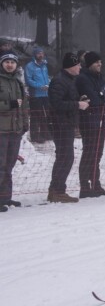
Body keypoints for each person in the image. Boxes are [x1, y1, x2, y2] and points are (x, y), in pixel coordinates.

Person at [48, 52, 90, 203]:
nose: (80, 67)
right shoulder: (59, 81)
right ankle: (57, 191)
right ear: (70, 66)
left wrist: (79, 99)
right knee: (65, 157)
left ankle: (56, 190)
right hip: (60, 124)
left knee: (65, 157)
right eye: (77, 65)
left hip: (66, 123)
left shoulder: (69, 80)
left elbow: (66, 99)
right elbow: (56, 103)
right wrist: (77, 104)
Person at [75, 52, 105, 197]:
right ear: (90, 63)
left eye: (100, 62)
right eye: (97, 62)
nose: (100, 64)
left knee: (98, 152)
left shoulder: (99, 77)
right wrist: (101, 95)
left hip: (100, 119)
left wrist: (101, 94)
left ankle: (95, 183)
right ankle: (85, 186)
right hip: (89, 120)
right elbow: (94, 99)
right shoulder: (83, 78)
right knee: (89, 152)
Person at [0, 52, 29, 210]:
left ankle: (5, 197)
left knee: (9, 165)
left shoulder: (18, 82)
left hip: (15, 130)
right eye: (7, 62)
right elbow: (13, 104)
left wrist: (25, 123)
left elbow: (24, 105)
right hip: (1, 130)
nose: (10, 65)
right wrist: (8, 104)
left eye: (12, 62)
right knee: (1, 165)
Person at [24, 47, 52, 143]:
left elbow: (46, 77)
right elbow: (28, 80)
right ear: (34, 55)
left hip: (45, 94)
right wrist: (40, 86)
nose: (40, 55)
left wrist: (49, 84)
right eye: (38, 53)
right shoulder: (30, 66)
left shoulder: (44, 65)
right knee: (36, 115)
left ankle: (45, 133)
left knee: (45, 114)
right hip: (36, 94)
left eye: (42, 53)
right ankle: (35, 135)